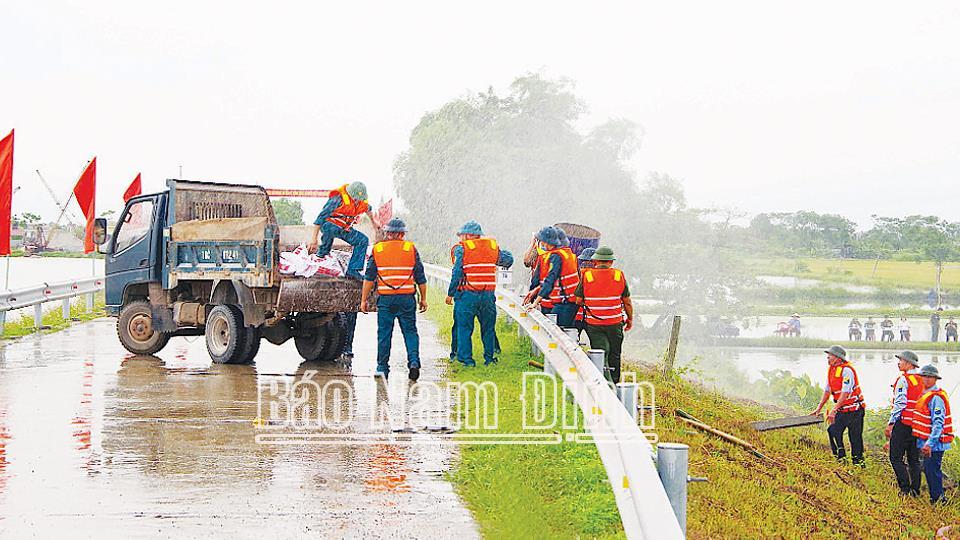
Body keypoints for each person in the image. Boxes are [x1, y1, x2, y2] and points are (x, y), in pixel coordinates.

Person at [360, 219, 428, 381]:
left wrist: (363, 300)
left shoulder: (378, 249)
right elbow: (421, 277)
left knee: (384, 334)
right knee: (410, 332)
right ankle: (414, 362)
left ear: (387, 233)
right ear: (402, 234)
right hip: (407, 299)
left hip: (386, 300)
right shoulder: (410, 249)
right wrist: (423, 299)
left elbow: (369, 278)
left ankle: (382, 368)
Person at [446, 220, 514, 367]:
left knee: (464, 328)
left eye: (462, 235)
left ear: (469, 235)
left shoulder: (462, 249)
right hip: (488, 295)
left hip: (467, 295)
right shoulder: (491, 247)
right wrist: (494, 247)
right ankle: (489, 358)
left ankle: (467, 360)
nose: (460, 239)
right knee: (488, 328)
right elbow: (509, 260)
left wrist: (451, 293)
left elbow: (457, 272)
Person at [573, 246, 633, 383]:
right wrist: (630, 319)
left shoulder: (587, 275)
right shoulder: (619, 275)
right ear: (611, 262)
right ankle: (616, 383)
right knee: (615, 354)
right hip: (615, 323)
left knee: (600, 353)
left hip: (594, 324)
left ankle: (604, 383)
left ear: (595, 261)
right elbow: (627, 301)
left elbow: (578, 300)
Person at [308, 182, 378, 280]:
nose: (357, 201)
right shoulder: (337, 199)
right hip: (330, 225)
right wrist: (313, 239)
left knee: (363, 240)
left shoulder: (362, 202)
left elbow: (368, 209)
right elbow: (320, 218)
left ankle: (353, 270)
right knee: (330, 229)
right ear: (349, 194)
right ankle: (322, 252)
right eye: (355, 198)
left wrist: (374, 223)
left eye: (358, 199)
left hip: (345, 228)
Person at [811, 345, 866, 465]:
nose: (828, 357)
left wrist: (834, 410)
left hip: (855, 411)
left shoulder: (847, 370)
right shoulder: (832, 370)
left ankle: (858, 464)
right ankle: (841, 459)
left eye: (830, 355)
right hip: (842, 409)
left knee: (855, 438)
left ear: (837, 357)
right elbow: (827, 390)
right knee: (833, 430)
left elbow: (845, 392)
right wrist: (819, 407)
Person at [913, 364, 954, 503]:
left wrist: (929, 444)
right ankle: (936, 497)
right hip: (926, 441)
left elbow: (938, 423)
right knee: (929, 469)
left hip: (935, 443)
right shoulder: (925, 394)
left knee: (932, 470)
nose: (926, 379)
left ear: (935, 379)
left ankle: (939, 499)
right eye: (923, 376)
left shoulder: (936, 398)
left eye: (929, 377)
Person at [524, 226, 580, 328]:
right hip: (569, 302)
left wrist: (535, 302)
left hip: (565, 302)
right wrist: (536, 290)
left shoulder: (556, 257)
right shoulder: (567, 254)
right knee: (562, 331)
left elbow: (550, 280)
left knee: (553, 330)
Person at [885, 350, 922, 497]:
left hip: (904, 424)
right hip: (918, 425)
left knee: (895, 457)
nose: (898, 363)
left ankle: (905, 489)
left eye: (900, 360)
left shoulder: (903, 380)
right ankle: (915, 490)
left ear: (908, 363)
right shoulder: (922, 380)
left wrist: (891, 423)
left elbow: (900, 403)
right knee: (914, 459)